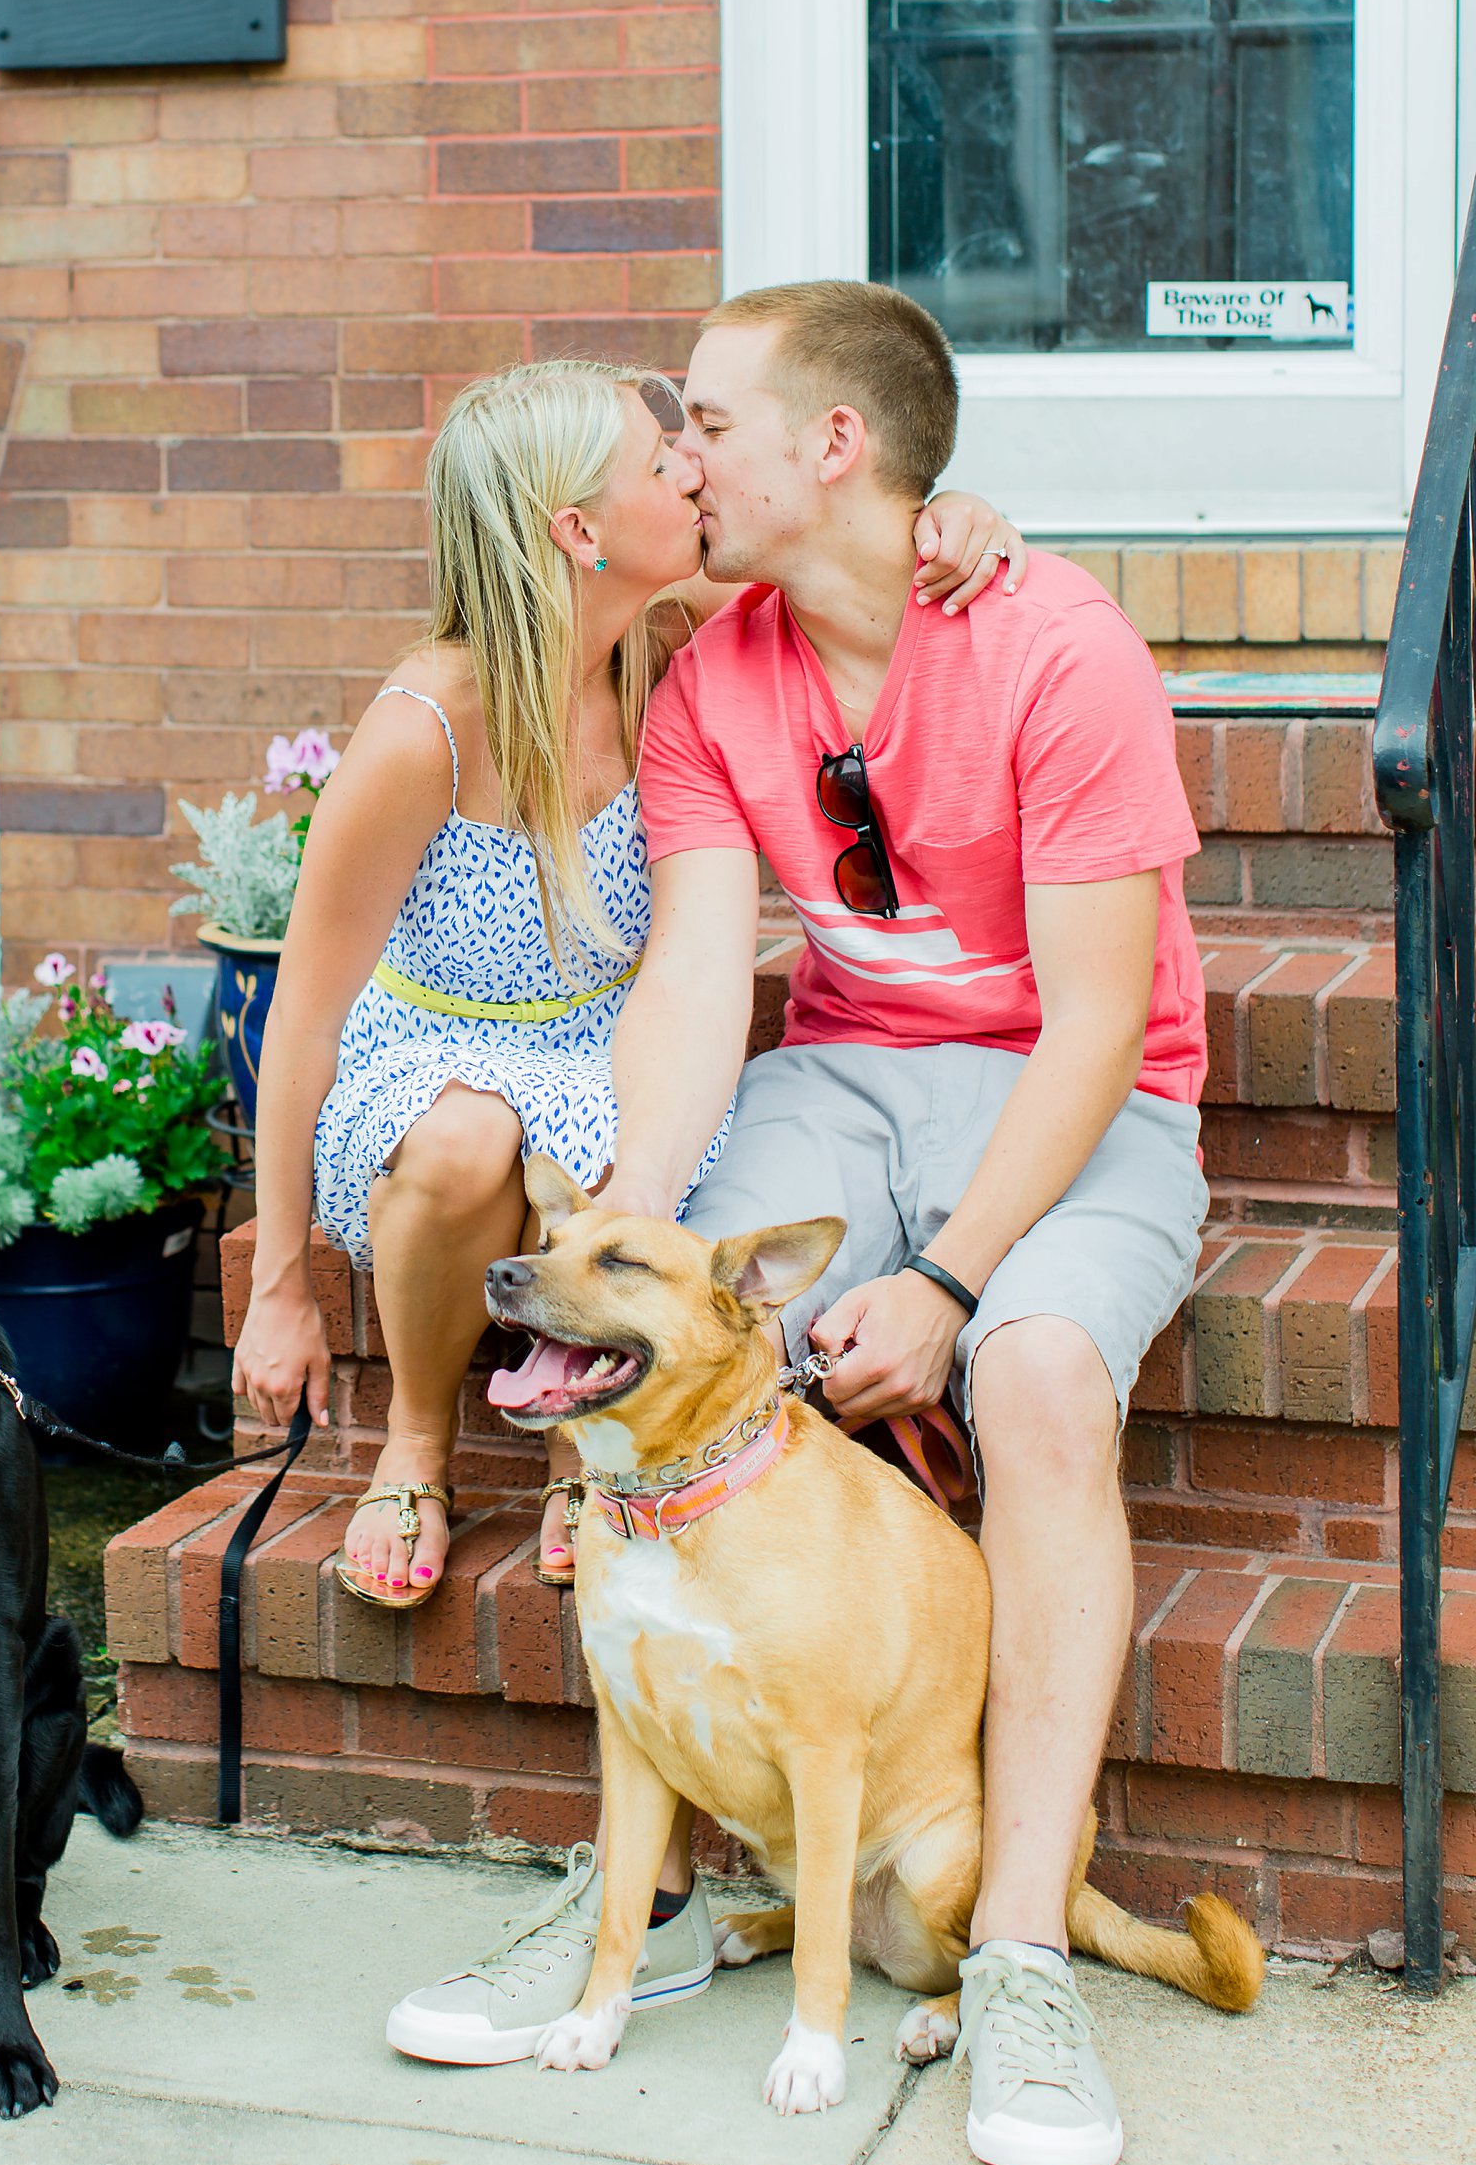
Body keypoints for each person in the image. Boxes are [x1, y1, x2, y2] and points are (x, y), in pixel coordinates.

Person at [386, 284, 1204, 2165]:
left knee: (1040, 1377)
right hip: (841, 1080)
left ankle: (1009, 1951)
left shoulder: (1054, 645)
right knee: (650, 1356)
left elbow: (1092, 1026)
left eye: (713, 424)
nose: (682, 456)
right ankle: (638, 1908)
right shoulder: (709, 677)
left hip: (1081, 1102)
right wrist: (622, 1231)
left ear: (833, 447)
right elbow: (691, 975)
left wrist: (940, 1279)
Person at [233, 356, 1022, 1618]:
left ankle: (578, 1446)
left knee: (631, 1147)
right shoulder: (425, 727)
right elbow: (303, 1018)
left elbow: (856, 589)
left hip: (611, 1045)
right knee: (468, 1136)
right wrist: (278, 1285)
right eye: (663, 463)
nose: (694, 467)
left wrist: (951, 519)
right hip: (430, 1053)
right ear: (577, 530)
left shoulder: (672, 651)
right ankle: (419, 1440)